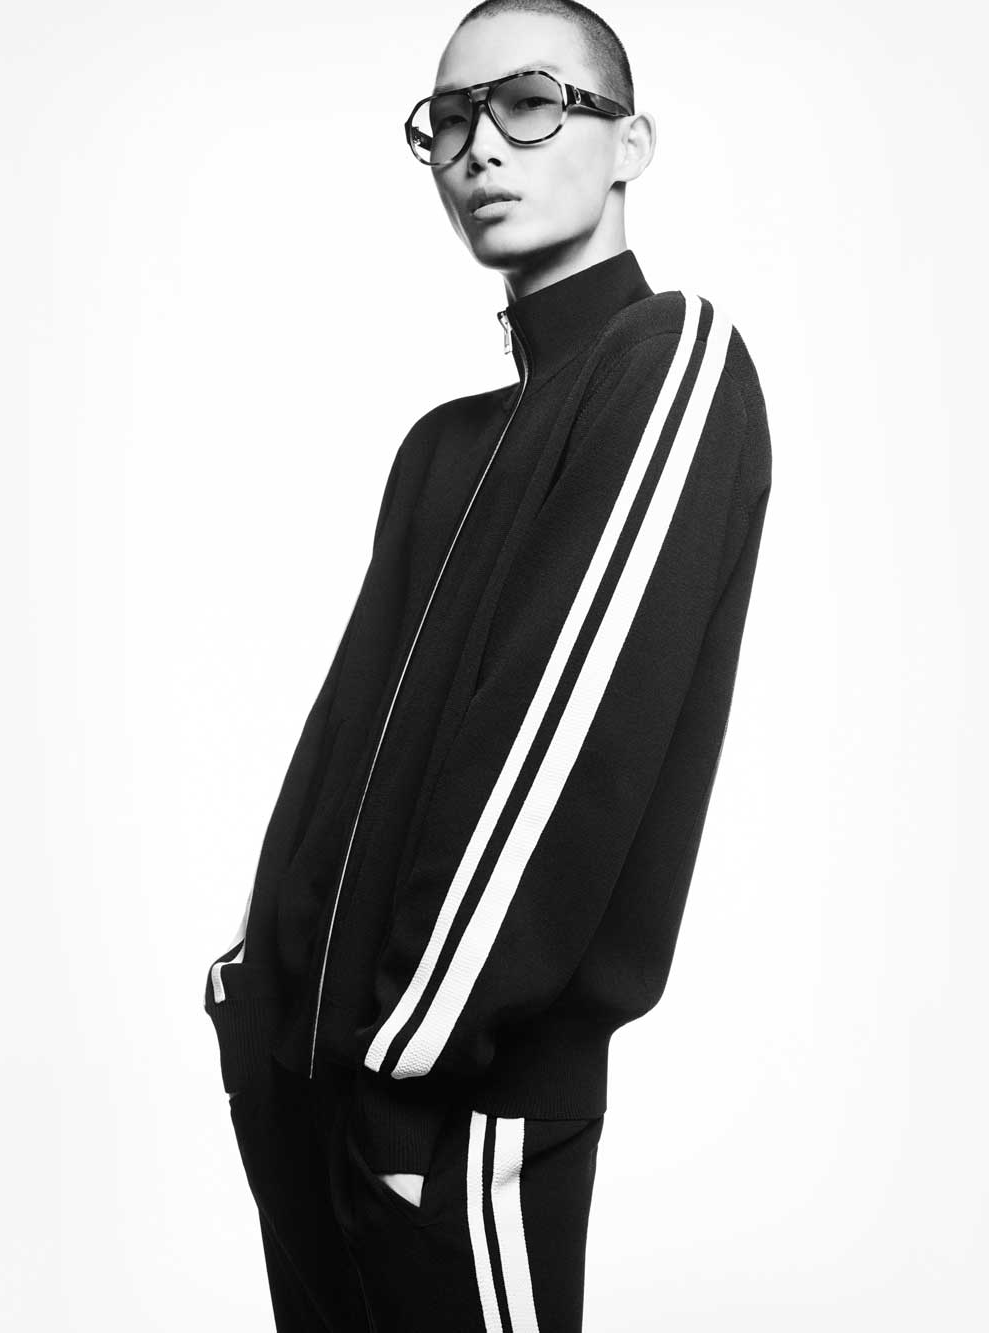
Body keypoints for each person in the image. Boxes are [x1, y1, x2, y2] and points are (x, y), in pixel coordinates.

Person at [203, 1, 773, 1329]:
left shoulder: (667, 360)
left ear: (629, 143)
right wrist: (254, 997)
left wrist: (410, 1055)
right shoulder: (443, 447)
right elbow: (345, 750)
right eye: (450, 119)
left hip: (446, 1117)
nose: (480, 148)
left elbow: (568, 745)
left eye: (528, 104)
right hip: (306, 1096)